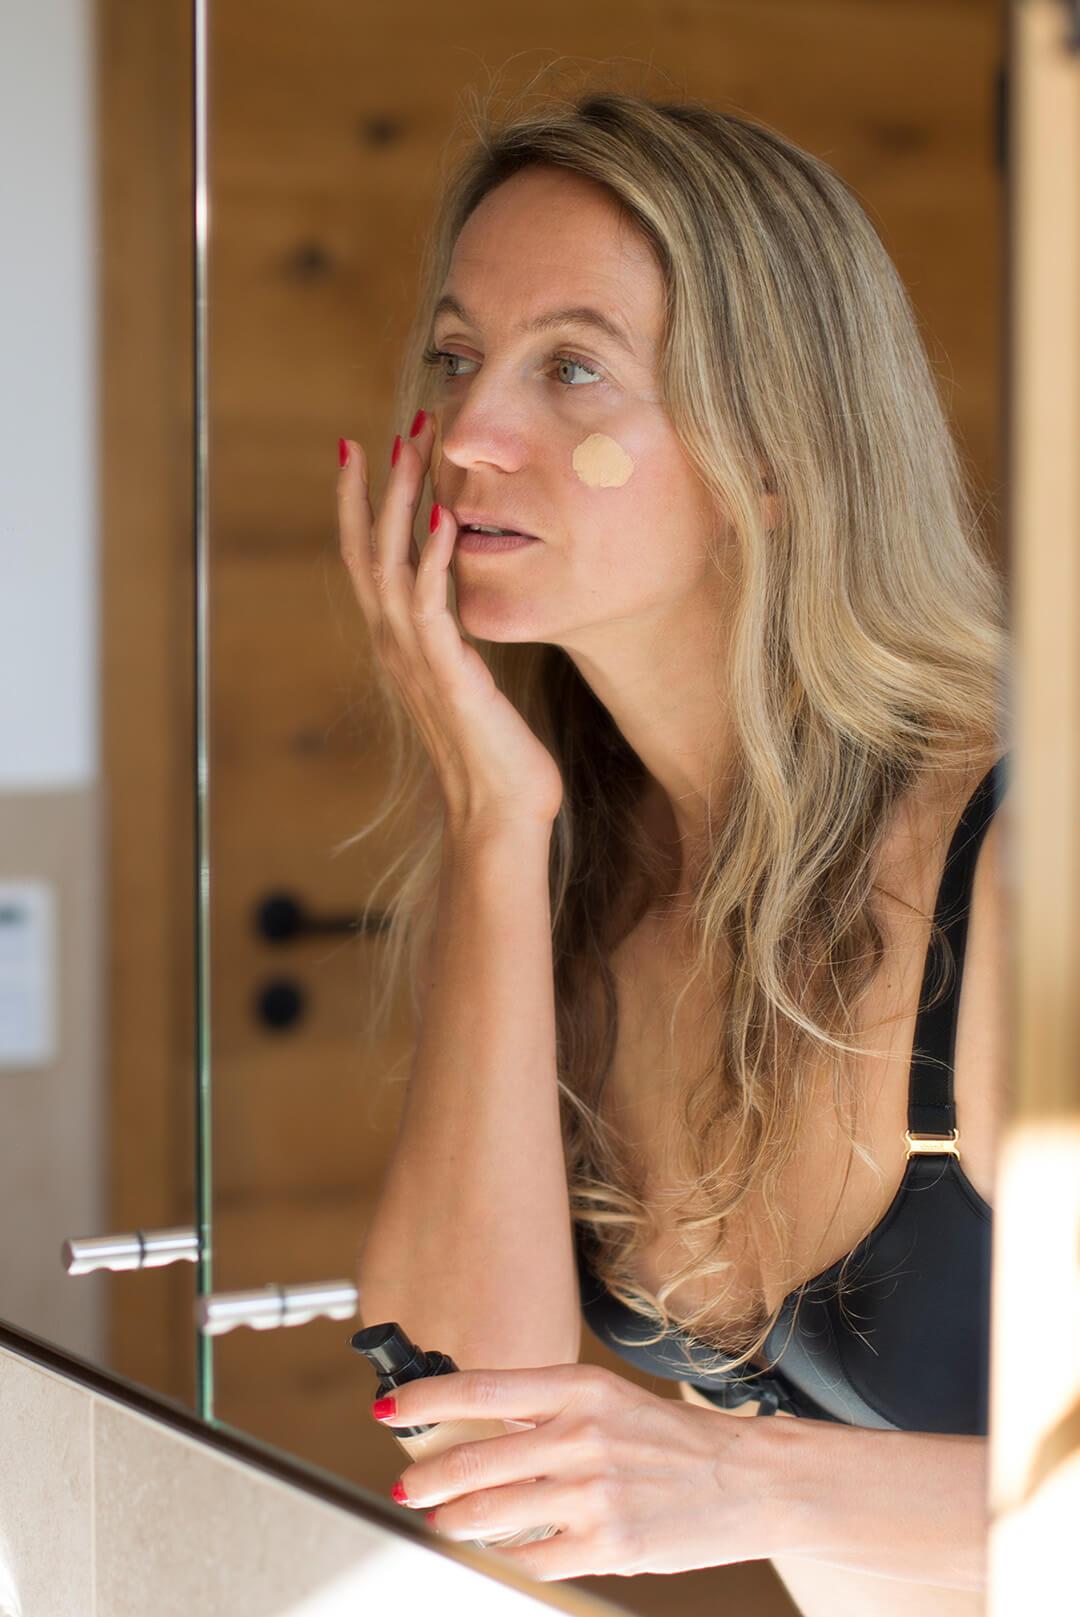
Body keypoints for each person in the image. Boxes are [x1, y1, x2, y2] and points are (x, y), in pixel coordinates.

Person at [337, 90, 1007, 1613]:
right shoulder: (586, 876)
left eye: (572, 368)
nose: (469, 436)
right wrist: (498, 834)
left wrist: (744, 1480)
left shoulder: (1018, 870)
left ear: (775, 449)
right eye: (457, 358)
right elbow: (472, 1437)